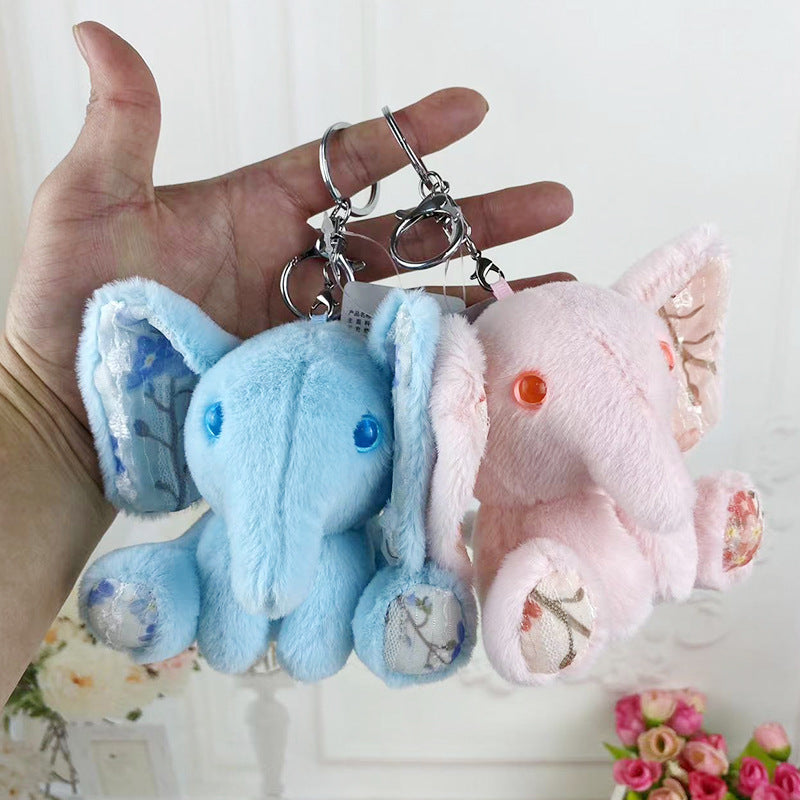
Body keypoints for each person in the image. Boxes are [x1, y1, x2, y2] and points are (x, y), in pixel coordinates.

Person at [0, 21, 573, 703]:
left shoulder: (401, 397)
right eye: (210, 419)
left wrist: (38, 411)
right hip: (216, 554)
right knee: (171, 574)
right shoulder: (167, 357)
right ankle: (161, 589)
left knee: (392, 596)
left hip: (333, 561)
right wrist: (47, 410)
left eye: (372, 434)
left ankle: (397, 616)